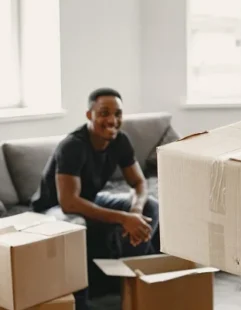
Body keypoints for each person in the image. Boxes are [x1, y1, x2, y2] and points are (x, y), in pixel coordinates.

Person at [30, 88, 160, 307]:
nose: (112, 120)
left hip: (89, 199)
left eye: (117, 113)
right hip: (52, 210)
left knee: (150, 206)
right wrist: (122, 218)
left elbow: (139, 183)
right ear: (89, 115)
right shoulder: (73, 146)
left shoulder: (120, 141)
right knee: (77, 224)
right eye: (104, 113)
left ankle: (128, 276)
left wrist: (135, 211)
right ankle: (80, 300)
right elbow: (69, 202)